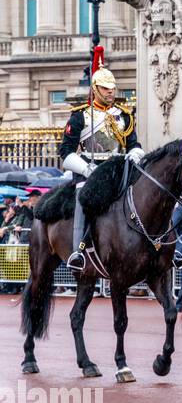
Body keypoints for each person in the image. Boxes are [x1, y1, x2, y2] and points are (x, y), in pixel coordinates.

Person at [59, 47, 143, 271]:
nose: (110, 92)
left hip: (118, 170)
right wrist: (87, 170)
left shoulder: (124, 115)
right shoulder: (80, 116)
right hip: (91, 171)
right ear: (95, 89)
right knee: (82, 199)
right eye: (105, 89)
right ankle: (78, 251)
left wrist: (134, 155)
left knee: (147, 196)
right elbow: (66, 153)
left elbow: (134, 144)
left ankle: (159, 245)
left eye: (113, 89)